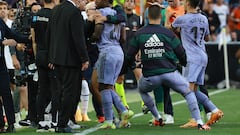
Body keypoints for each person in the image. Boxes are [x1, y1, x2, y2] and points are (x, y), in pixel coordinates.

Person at [126, 2, 210, 130]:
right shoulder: (167, 32)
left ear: (147, 17)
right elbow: (181, 51)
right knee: (189, 91)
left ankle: (158, 117)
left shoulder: (140, 33)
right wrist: (182, 63)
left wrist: (130, 66)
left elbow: (129, 55)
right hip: (171, 72)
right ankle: (199, 121)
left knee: (142, 90)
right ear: (161, 17)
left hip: (150, 75)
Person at [171, 0, 224, 128]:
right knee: (194, 89)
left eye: (184, 2)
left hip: (191, 57)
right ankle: (215, 110)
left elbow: (170, 27)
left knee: (187, 90)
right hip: (202, 55)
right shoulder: (204, 18)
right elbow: (207, 38)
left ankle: (196, 119)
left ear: (188, 4)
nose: (183, 3)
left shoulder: (183, 19)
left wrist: (170, 18)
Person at [46, 0, 89, 133]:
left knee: (59, 92)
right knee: (70, 92)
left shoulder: (55, 10)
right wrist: (84, 58)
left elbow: (49, 35)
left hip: (56, 58)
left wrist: (51, 56)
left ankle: (60, 121)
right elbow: (78, 37)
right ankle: (63, 123)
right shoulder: (74, 12)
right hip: (71, 60)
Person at [91, 0, 134, 129]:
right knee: (109, 85)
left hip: (107, 51)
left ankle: (113, 118)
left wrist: (91, 37)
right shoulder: (116, 13)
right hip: (118, 51)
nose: (96, 1)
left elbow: (98, 32)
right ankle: (118, 114)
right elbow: (123, 38)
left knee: (104, 87)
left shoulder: (101, 13)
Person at [0, 17, 30, 133]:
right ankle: (1, 124)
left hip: (1, 62)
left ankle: (11, 123)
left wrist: (28, 38)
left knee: (6, 92)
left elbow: (12, 34)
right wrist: (3, 42)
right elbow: (7, 39)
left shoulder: (0, 22)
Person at [31, 0, 56, 132]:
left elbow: (34, 40)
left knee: (42, 90)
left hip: (40, 54)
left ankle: (40, 120)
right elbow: (56, 39)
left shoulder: (36, 15)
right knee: (55, 89)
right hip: (52, 55)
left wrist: (37, 57)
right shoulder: (54, 15)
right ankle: (53, 120)